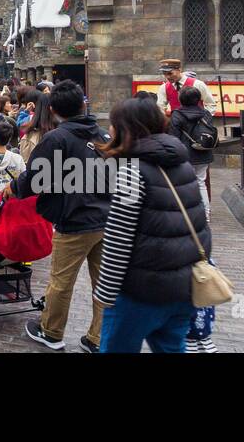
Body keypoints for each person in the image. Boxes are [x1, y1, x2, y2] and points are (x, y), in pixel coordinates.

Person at [93, 97, 210, 353]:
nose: (110, 130)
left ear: (126, 128)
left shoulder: (131, 171)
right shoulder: (183, 163)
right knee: (172, 348)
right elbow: (201, 226)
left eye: (113, 124)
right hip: (183, 288)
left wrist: (105, 292)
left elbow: (118, 240)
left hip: (141, 292)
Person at [10, 80, 110, 352]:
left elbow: (35, 179)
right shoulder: (102, 136)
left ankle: (51, 331)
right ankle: (99, 338)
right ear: (83, 105)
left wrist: (13, 187)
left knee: (61, 281)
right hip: (107, 219)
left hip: (74, 219)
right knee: (104, 283)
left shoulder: (56, 138)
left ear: (53, 109)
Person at [168, 84, 216, 219]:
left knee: (182, 185)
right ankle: (205, 215)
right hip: (203, 153)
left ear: (181, 99)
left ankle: (185, 215)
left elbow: (174, 138)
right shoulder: (206, 114)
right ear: (198, 99)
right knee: (201, 183)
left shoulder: (177, 115)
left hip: (184, 156)